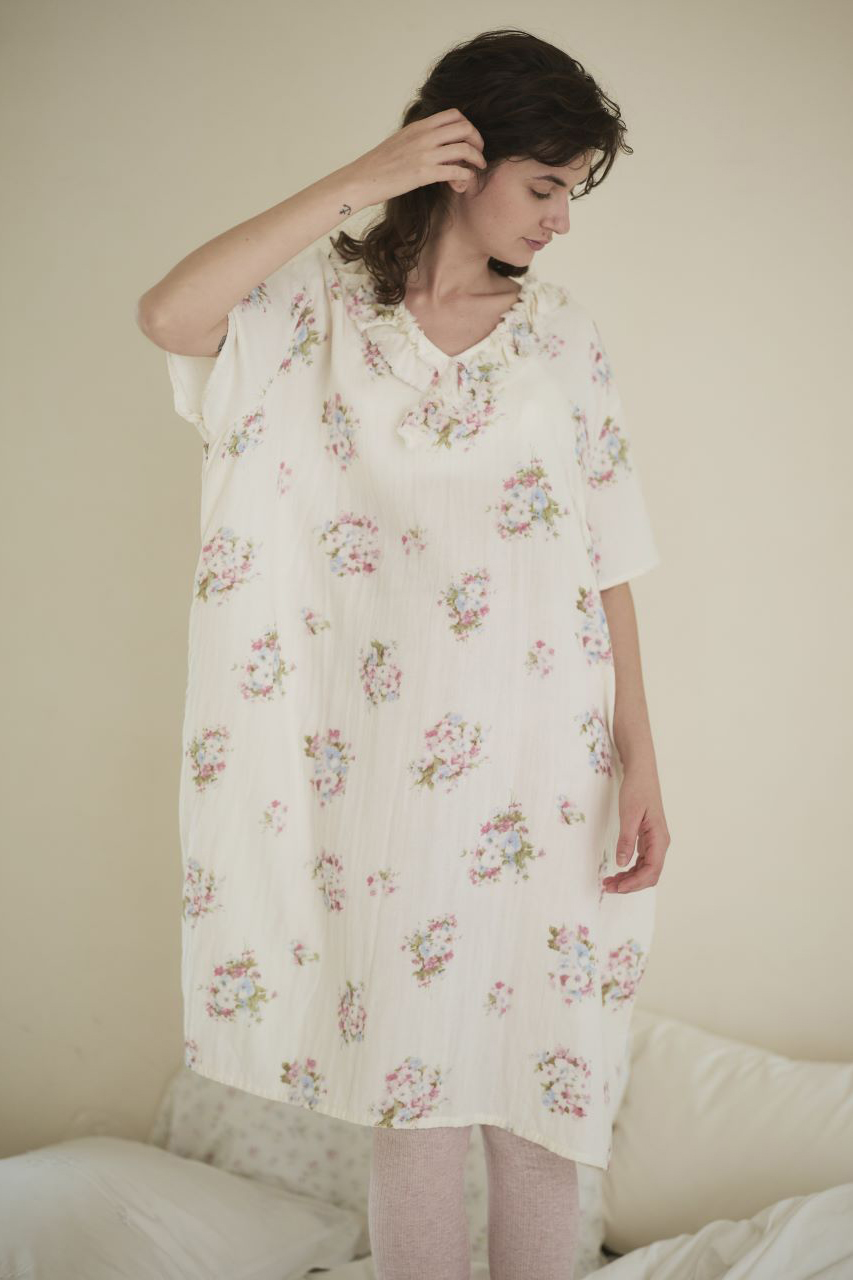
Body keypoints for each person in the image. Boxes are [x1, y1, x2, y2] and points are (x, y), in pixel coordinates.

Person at [137, 25, 671, 1280]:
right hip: (383, 773)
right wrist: (361, 178)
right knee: (411, 1084)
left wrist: (641, 759)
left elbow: (607, 556)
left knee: (540, 1084)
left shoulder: (561, 340)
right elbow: (169, 312)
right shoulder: (316, 314)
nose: (561, 220)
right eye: (545, 186)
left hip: (548, 764)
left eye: (571, 192)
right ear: (458, 160)